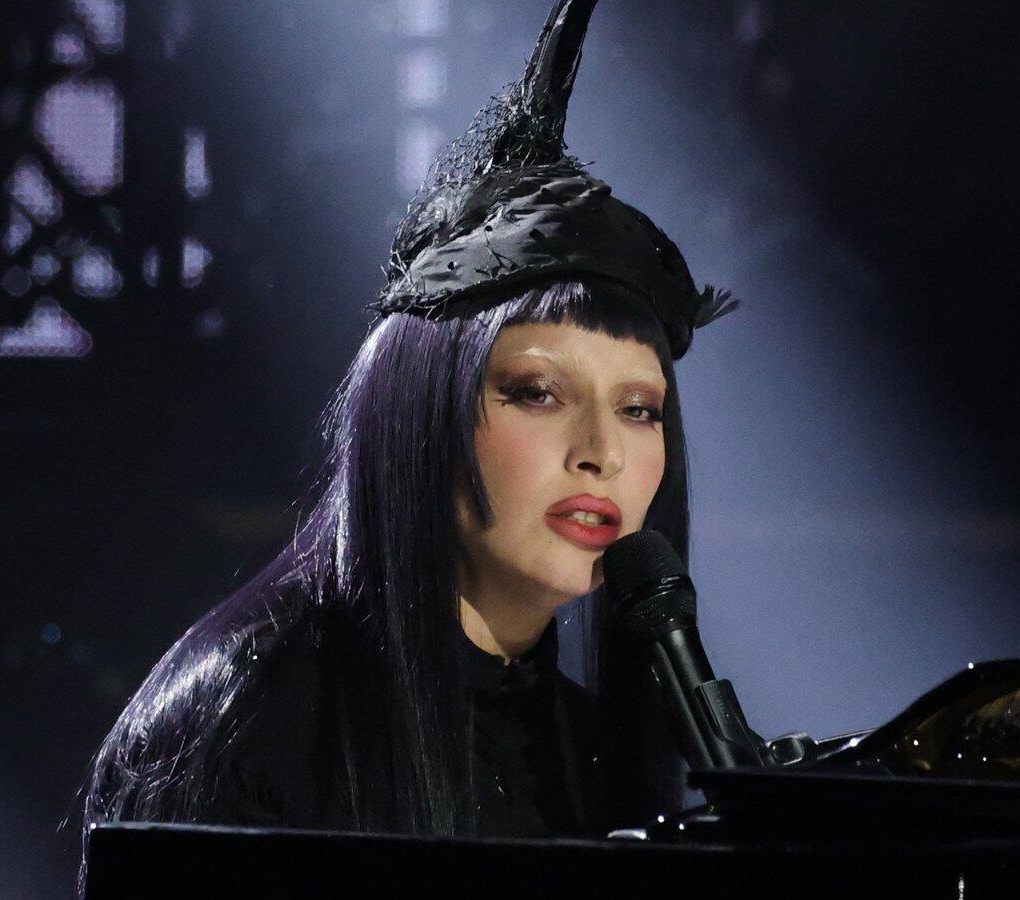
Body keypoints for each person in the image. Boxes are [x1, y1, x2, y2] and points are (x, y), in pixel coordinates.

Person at [81, 0, 737, 863]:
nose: (602, 453)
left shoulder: (593, 757)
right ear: (425, 413)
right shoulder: (254, 718)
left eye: (639, 409)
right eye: (538, 394)